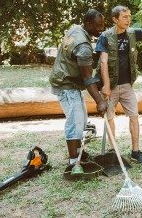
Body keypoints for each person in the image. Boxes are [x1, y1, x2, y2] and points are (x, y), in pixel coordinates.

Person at [95, 5, 142, 164]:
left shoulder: (132, 33)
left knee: (134, 116)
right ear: (115, 19)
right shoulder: (105, 37)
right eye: (124, 17)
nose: (128, 20)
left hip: (127, 86)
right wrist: (105, 85)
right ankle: (114, 153)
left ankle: (135, 151)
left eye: (129, 16)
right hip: (110, 85)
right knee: (110, 117)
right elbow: (103, 61)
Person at [49, 9, 107, 170]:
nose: (100, 29)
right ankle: (74, 161)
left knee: (82, 118)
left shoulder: (76, 28)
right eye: (98, 26)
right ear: (88, 24)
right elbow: (87, 79)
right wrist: (100, 102)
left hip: (67, 80)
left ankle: (80, 152)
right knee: (75, 121)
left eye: (102, 25)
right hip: (65, 84)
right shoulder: (83, 47)